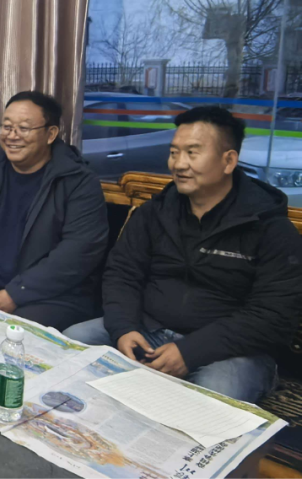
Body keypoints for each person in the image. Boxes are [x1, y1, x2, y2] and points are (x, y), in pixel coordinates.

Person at [64, 106, 302, 403]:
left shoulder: (270, 229)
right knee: (72, 343)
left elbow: (272, 316)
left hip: (230, 352)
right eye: (174, 152)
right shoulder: (154, 212)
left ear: (228, 161)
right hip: (147, 330)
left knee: (215, 397)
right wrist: (124, 328)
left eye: (192, 153)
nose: (178, 164)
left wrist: (190, 352)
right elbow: (122, 273)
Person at [0, 91, 109, 330]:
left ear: (50, 134)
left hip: (51, 295)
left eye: (23, 128)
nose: (11, 136)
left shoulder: (79, 182)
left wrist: (16, 293)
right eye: (6, 127)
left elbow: (78, 253)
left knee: (4, 333)